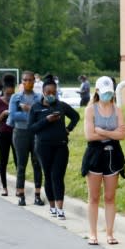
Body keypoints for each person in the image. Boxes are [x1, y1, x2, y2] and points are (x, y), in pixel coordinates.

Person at [82, 76, 125, 245]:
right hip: (95, 155)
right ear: (97, 91)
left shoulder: (118, 110)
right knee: (94, 197)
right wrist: (112, 132)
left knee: (110, 196)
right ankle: (93, 233)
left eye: (110, 93)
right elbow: (90, 135)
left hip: (113, 154)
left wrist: (102, 131)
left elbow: (122, 135)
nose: (107, 96)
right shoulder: (90, 110)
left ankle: (109, 233)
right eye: (104, 92)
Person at [29, 75, 80, 218]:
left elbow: (75, 116)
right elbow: (31, 128)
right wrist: (46, 120)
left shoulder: (61, 105)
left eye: (54, 92)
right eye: (48, 92)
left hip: (61, 146)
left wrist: (68, 129)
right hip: (43, 147)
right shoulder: (36, 107)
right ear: (43, 92)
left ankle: (60, 208)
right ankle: (51, 206)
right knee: (48, 175)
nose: (51, 95)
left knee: (57, 176)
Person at [8, 71, 45, 206]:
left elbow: (41, 115)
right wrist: (32, 114)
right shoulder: (15, 98)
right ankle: (21, 194)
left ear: (34, 82)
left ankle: (37, 195)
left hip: (35, 134)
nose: (28, 83)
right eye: (25, 80)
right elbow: (13, 116)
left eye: (30, 80)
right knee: (21, 165)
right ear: (22, 82)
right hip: (20, 133)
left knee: (37, 164)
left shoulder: (39, 97)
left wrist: (28, 109)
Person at [0, 74, 17, 196]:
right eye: (7, 94)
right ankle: (5, 187)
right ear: (3, 90)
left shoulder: (18, 100)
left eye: (11, 94)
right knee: (3, 160)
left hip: (17, 133)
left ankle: (19, 187)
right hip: (3, 134)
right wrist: (3, 114)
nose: (9, 97)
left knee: (18, 161)